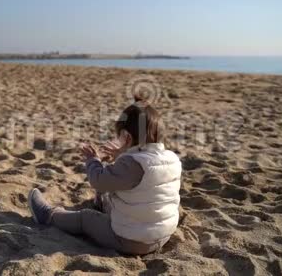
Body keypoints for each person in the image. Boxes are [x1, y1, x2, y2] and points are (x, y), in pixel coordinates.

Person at [28, 101, 182, 255]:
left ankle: (48, 215)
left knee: (86, 218)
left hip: (131, 240)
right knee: (118, 196)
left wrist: (93, 160)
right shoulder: (172, 158)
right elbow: (143, 179)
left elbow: (99, 181)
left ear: (126, 137)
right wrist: (122, 155)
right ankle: (101, 205)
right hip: (162, 236)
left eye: (119, 137)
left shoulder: (131, 164)